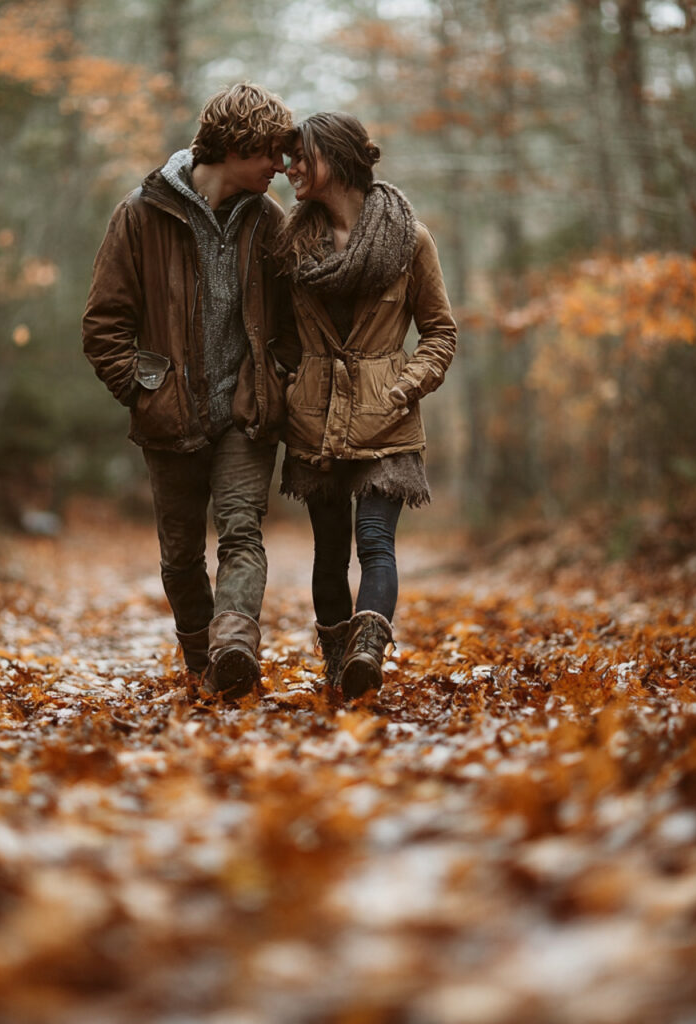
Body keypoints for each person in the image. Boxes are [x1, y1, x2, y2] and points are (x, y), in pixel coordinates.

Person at [81, 83, 295, 700]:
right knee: (179, 556)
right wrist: (145, 390)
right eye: (271, 155)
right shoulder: (140, 214)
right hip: (169, 417)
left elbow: (292, 323)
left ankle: (234, 646)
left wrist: (274, 378)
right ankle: (206, 664)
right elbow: (103, 324)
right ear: (237, 146)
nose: (280, 168)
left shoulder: (270, 220)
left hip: (244, 413)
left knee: (241, 531)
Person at [274, 112, 457, 700]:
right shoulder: (293, 243)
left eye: (301, 155)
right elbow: (276, 334)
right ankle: (337, 668)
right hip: (316, 419)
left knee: (376, 542)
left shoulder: (409, 239)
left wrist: (404, 386)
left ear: (339, 157)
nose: (290, 167)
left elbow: (440, 332)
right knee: (329, 552)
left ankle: (367, 655)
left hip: (387, 419)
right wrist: (288, 385)